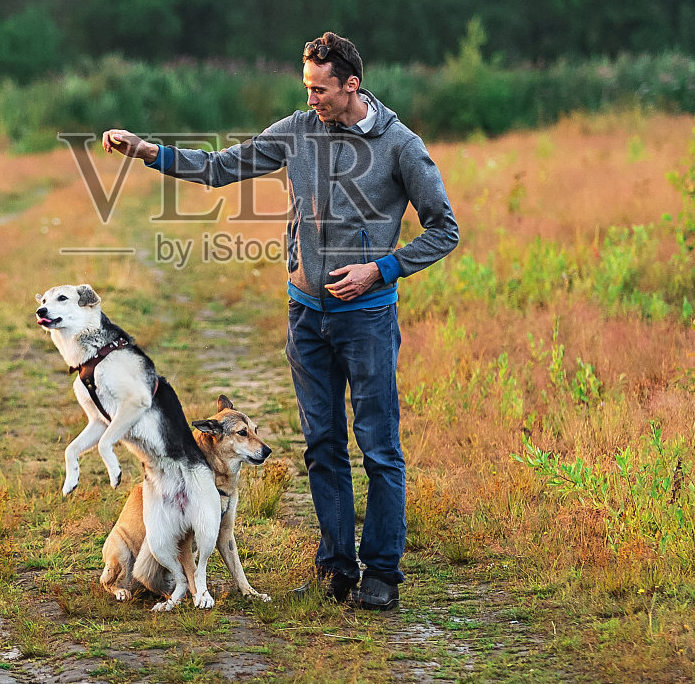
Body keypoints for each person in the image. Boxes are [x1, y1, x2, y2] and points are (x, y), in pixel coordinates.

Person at [100, 31, 459, 610]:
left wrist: (382, 269)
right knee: (322, 446)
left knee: (379, 449)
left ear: (352, 85)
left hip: (366, 322)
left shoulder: (400, 146)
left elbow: (446, 228)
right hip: (307, 321)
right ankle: (337, 569)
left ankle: (382, 575)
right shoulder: (295, 131)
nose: (311, 98)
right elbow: (219, 169)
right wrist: (149, 151)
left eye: (321, 89)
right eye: (306, 88)